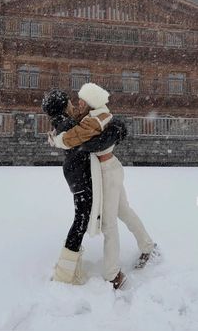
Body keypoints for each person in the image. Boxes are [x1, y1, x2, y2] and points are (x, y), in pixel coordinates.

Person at [51, 83, 159, 289]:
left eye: (82, 100)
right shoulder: (92, 116)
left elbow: (74, 139)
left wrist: (59, 141)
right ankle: (148, 246)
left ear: (91, 104)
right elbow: (73, 119)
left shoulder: (95, 120)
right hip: (107, 169)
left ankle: (113, 274)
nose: (78, 103)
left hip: (107, 172)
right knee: (124, 211)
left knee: (109, 225)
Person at [42, 89, 127, 286]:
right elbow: (95, 140)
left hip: (76, 173)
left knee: (82, 218)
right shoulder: (67, 124)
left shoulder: (63, 122)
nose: (74, 105)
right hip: (79, 175)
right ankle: (65, 272)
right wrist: (116, 129)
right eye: (70, 103)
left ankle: (67, 268)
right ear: (64, 106)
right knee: (80, 221)